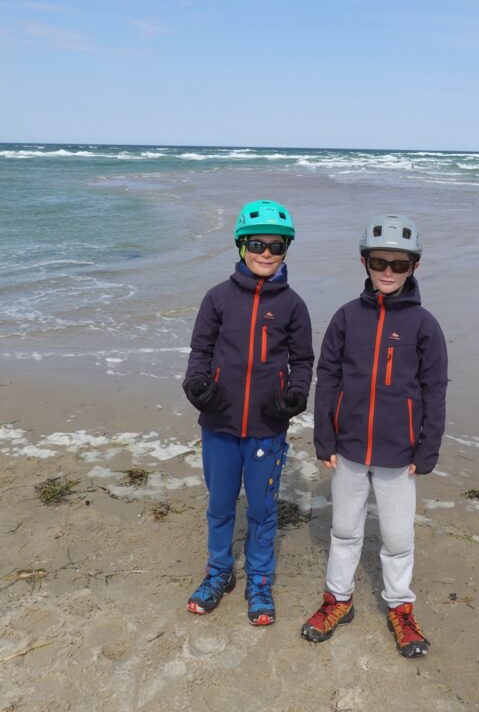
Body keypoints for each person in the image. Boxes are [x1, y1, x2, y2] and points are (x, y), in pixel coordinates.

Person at [301, 214, 448, 658]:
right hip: (348, 449)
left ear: (414, 267)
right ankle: (338, 600)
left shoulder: (424, 325)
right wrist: (324, 436)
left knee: (398, 539)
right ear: (364, 261)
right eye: (379, 261)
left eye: (399, 264)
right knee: (344, 530)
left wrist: (427, 447)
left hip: (398, 455)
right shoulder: (347, 317)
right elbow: (328, 378)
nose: (388, 271)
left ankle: (400, 608)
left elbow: (434, 391)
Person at [183, 199, 314, 625]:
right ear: (241, 245)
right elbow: (201, 351)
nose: (266, 253)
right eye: (257, 244)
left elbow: (303, 361)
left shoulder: (292, 305)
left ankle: (259, 579)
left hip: (266, 427)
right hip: (219, 424)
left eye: (277, 246)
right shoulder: (217, 298)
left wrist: (294, 395)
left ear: (286, 250)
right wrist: (196, 385)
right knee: (221, 505)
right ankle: (219, 571)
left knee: (261, 508)